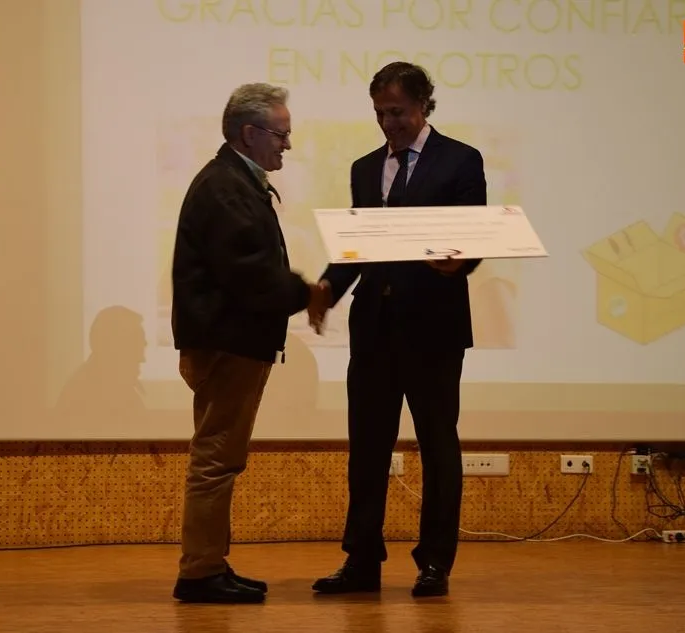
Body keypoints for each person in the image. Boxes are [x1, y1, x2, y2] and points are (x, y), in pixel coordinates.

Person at [309, 62, 487, 598]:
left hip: (434, 329)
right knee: (366, 449)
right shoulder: (365, 168)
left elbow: (473, 237)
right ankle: (361, 561)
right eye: (380, 113)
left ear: (424, 105)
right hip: (374, 328)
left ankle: (435, 563)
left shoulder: (461, 159)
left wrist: (460, 261)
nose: (389, 123)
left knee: (438, 447)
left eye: (398, 112)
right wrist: (327, 287)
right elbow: (360, 246)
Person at [170, 82, 330, 604]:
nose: (288, 144)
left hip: (231, 342)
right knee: (216, 460)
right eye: (281, 134)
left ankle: (210, 564)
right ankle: (199, 573)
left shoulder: (233, 181)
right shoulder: (226, 187)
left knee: (220, 458)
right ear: (249, 133)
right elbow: (250, 274)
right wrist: (307, 293)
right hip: (227, 345)